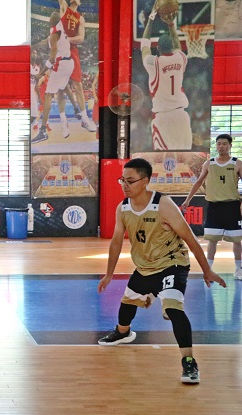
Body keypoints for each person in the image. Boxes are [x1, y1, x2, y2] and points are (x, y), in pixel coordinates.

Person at [97, 158, 226, 384]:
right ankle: (123, 332)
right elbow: (116, 241)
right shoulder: (123, 207)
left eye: (130, 181)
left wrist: (207, 270)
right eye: (122, 180)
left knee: (173, 309)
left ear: (145, 181)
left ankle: (189, 362)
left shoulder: (163, 204)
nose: (124, 185)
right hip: (145, 266)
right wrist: (109, 274)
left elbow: (190, 238)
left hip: (171, 264)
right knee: (127, 305)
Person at [181, 134, 242, 280]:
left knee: (237, 240)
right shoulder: (209, 164)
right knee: (212, 240)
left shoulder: (237, 163)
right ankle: (208, 270)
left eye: (224, 144)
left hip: (232, 206)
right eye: (219, 143)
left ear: (230, 145)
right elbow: (198, 182)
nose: (221, 146)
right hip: (214, 207)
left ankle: (238, 269)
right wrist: (187, 200)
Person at [141, 4, 192, 150]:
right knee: (184, 157)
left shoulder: (154, 63)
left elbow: (144, 46)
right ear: (172, 48)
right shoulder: (181, 58)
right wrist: (171, 24)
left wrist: (150, 19)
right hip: (182, 116)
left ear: (158, 49)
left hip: (163, 117)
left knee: (161, 157)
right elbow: (177, 44)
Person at [31, 11, 75, 144]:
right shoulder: (58, 29)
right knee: (62, 89)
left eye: (50, 18)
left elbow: (52, 57)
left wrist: (41, 73)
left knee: (48, 95)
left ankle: (43, 131)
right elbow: (46, 41)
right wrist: (35, 46)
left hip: (60, 63)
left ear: (52, 21)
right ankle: (68, 118)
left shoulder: (55, 34)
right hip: (69, 63)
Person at [58, 0, 97, 133]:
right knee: (60, 87)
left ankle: (85, 119)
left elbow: (80, 38)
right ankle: (63, 120)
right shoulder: (64, 7)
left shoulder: (80, 18)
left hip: (72, 50)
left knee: (78, 86)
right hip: (60, 51)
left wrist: (66, 39)